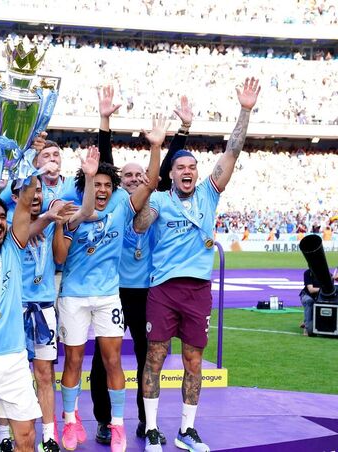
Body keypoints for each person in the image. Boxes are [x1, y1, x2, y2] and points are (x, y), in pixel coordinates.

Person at [133, 77, 261, 452]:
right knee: (155, 357)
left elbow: (233, 152)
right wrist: (146, 208)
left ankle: (186, 430)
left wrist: (245, 110)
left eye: (192, 166)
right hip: (163, 289)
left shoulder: (208, 192)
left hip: (198, 290)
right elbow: (139, 226)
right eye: (181, 167)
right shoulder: (160, 199)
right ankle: (153, 429)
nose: (188, 171)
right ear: (171, 174)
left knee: (194, 361)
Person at [0, 143, 93, 452]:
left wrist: (28, 154)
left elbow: (27, 200)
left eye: (2, 217)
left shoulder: (15, 248)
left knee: (27, 438)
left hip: (13, 360)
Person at [53, 115, 165, 452]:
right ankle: (70, 422)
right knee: (73, 362)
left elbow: (151, 182)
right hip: (73, 297)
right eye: (95, 184)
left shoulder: (120, 213)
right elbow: (59, 257)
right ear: (86, 185)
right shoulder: (73, 214)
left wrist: (157, 146)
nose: (101, 190)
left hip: (107, 298)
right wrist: (84, 189)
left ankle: (117, 426)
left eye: (106, 185)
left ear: (112, 190)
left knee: (113, 361)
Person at [89, 88, 192, 445]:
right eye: (128, 175)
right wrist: (105, 121)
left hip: (149, 293)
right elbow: (104, 160)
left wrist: (183, 132)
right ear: (121, 182)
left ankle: (146, 421)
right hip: (113, 292)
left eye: (139, 176)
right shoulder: (117, 200)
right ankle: (105, 420)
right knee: (105, 360)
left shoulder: (154, 198)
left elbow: (164, 168)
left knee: (150, 358)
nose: (134, 179)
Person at [300, 269, 321, 336]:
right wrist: (323, 289)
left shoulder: (327, 274)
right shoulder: (308, 273)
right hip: (307, 295)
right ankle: (307, 328)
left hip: (320, 296)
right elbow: (311, 290)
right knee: (309, 301)